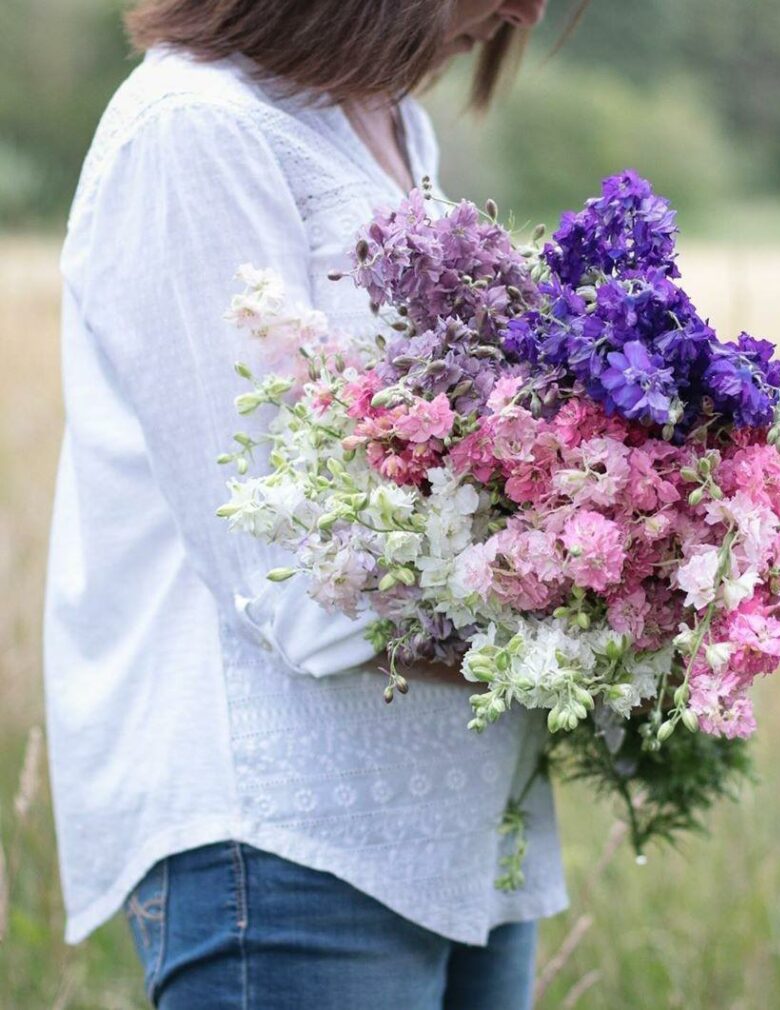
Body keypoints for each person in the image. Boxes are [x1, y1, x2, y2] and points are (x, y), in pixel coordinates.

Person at [43, 2, 576, 1007]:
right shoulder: (193, 128)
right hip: (287, 836)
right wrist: (578, 619)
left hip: (465, 829)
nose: (526, 9)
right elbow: (290, 567)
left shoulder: (380, 115)